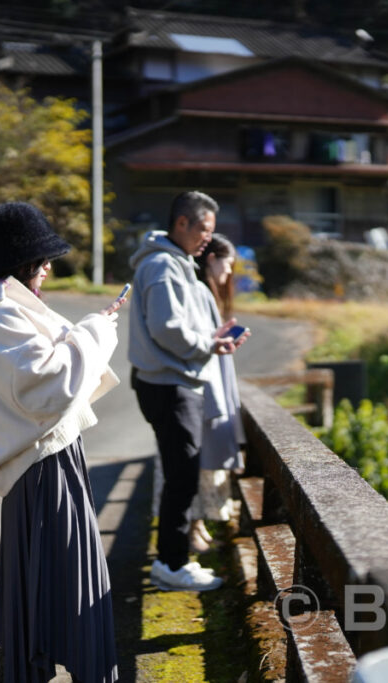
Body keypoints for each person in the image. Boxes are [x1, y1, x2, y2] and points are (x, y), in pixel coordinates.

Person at [0, 202, 124, 683]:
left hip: (48, 460)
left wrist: (93, 329)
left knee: (51, 587)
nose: (48, 268)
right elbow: (48, 386)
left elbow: (49, 371)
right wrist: (97, 331)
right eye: (40, 259)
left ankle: (33, 668)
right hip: (41, 465)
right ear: (17, 262)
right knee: (77, 590)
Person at [127, 191, 245, 592]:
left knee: (182, 474)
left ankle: (172, 561)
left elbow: (176, 325)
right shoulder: (163, 265)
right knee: (181, 476)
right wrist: (208, 345)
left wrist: (212, 340)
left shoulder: (174, 263)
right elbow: (167, 328)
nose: (207, 240)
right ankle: (171, 564)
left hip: (172, 381)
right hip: (170, 383)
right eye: (204, 230)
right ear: (182, 223)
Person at [190, 233, 246, 551]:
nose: (228, 273)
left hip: (203, 386)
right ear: (211, 259)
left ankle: (197, 527)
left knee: (199, 463)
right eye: (227, 265)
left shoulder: (202, 291)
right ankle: (192, 529)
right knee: (197, 463)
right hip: (202, 389)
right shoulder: (199, 291)